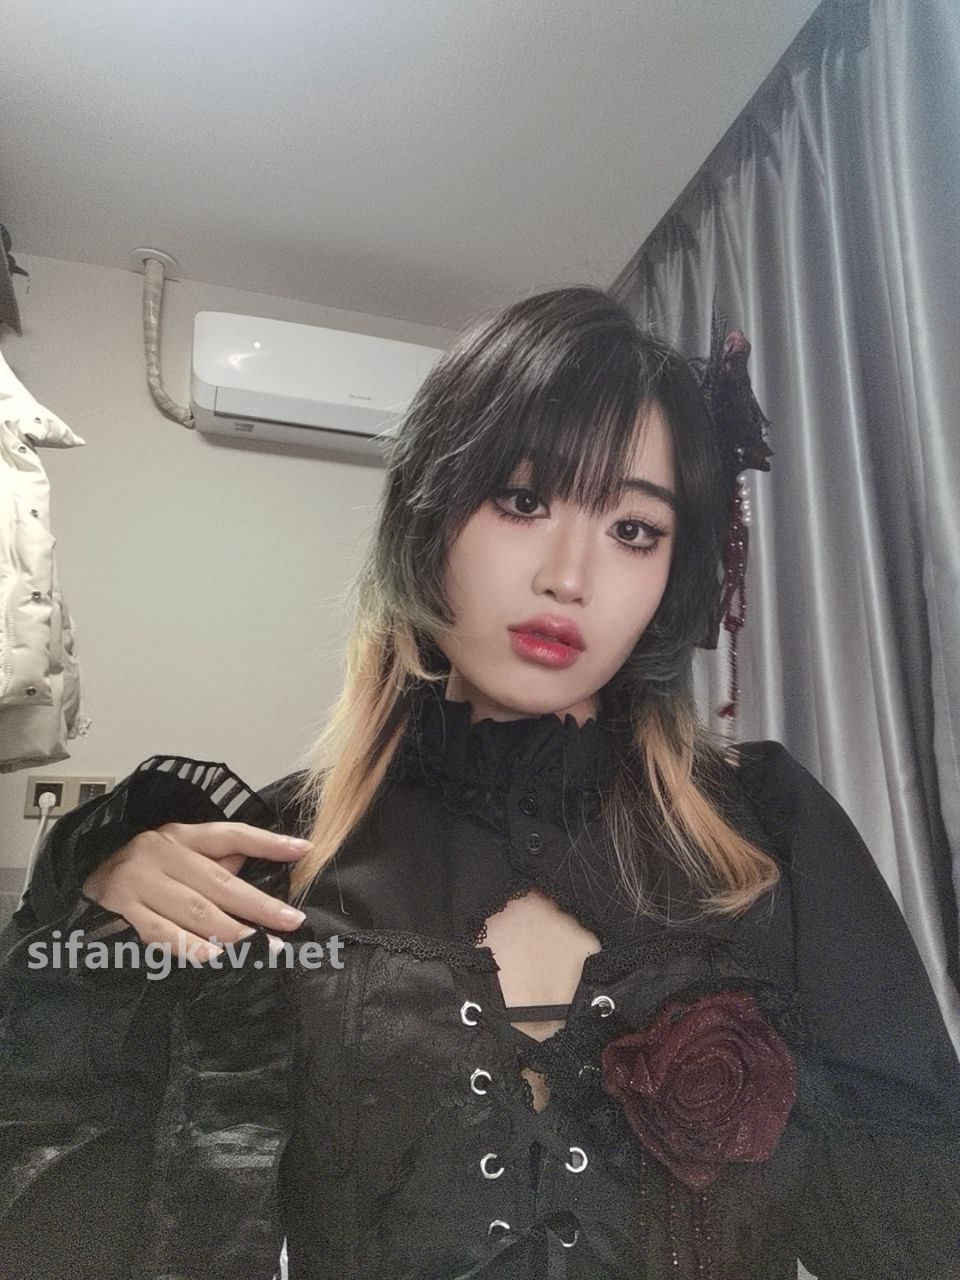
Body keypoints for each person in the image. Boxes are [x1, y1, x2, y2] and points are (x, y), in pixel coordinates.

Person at [1, 286, 959, 1280]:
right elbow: (78, 1213)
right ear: (430, 513)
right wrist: (89, 917)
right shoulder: (274, 854)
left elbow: (915, 1224)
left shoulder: (766, 834)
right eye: (522, 499)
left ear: (674, 576)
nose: (569, 575)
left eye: (634, 529)